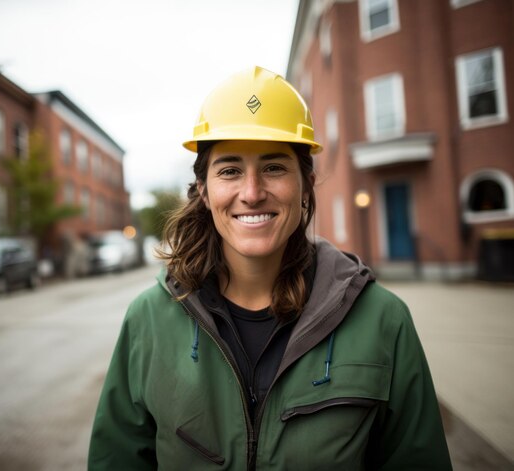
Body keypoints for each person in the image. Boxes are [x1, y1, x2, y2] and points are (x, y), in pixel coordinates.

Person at [87, 66, 452, 470]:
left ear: (305, 183)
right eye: (229, 170)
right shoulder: (148, 319)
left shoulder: (383, 321)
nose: (252, 192)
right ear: (204, 191)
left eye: (274, 167)